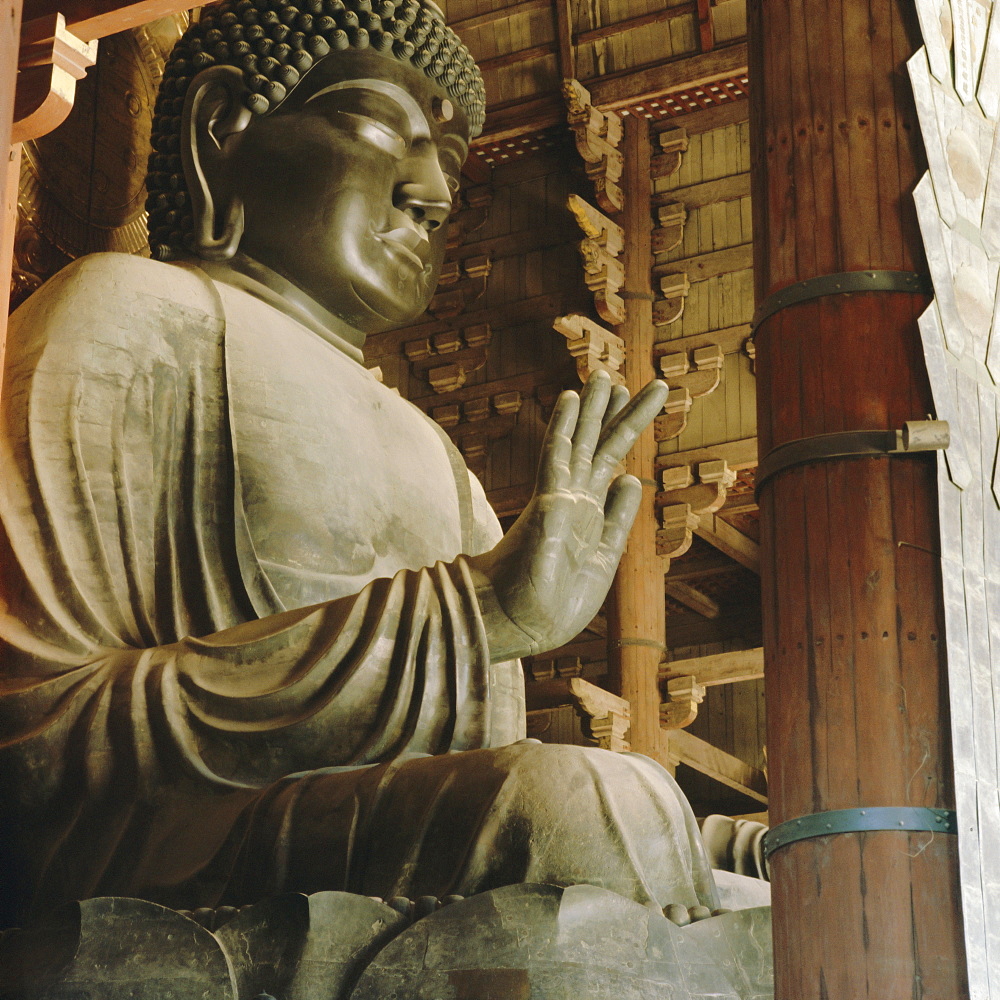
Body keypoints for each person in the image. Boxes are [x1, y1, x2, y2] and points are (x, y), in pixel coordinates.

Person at [0, 0, 721, 933]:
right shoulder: (127, 314)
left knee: (740, 855)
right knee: (588, 811)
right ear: (224, 126)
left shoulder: (436, 452)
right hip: (181, 861)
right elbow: (32, 742)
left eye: (451, 161)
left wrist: (481, 625)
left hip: (370, 847)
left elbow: (474, 777)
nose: (434, 192)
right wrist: (474, 614)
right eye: (385, 128)